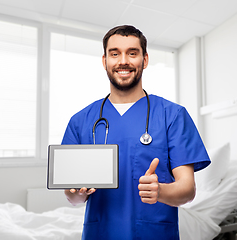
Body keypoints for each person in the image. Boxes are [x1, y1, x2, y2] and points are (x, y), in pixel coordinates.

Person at [62, 25, 210, 240]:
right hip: (100, 233)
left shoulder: (173, 115)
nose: (123, 61)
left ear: (145, 60)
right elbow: (72, 197)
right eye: (115, 54)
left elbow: (187, 190)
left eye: (132, 53)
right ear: (105, 61)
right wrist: (78, 193)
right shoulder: (80, 121)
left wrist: (161, 191)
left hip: (153, 234)